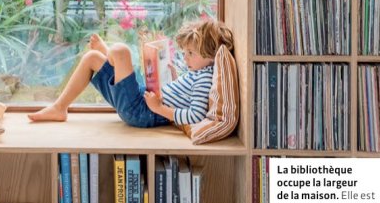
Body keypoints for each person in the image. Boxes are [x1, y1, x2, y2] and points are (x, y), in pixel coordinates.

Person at [28, 19, 234, 132]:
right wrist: (172, 77)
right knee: (91, 57)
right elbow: (181, 96)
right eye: (186, 52)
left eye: (191, 53)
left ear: (211, 56)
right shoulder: (197, 72)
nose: (186, 57)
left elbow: (195, 115)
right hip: (143, 103)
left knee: (121, 51)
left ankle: (110, 55)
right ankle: (59, 107)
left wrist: (158, 108)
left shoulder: (205, 78)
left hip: (143, 112)